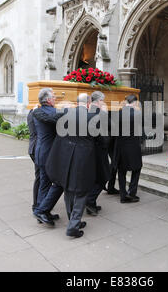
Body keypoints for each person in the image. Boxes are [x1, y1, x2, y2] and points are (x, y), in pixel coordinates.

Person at [46, 93, 98, 238]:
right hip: (83, 159)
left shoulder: (66, 114)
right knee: (81, 191)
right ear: (88, 104)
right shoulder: (93, 117)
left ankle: (73, 221)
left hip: (66, 157)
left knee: (68, 188)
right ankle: (73, 226)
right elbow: (102, 139)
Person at [32, 88, 63, 226]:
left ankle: (43, 212)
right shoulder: (55, 112)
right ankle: (42, 210)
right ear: (49, 100)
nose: (55, 98)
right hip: (49, 154)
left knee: (44, 183)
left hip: (39, 151)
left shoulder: (36, 111)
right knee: (58, 183)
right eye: (54, 96)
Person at [85, 91, 111, 216]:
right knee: (104, 177)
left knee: (94, 177)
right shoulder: (101, 114)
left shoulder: (87, 112)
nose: (104, 103)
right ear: (99, 101)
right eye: (103, 100)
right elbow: (106, 133)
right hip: (100, 151)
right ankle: (89, 201)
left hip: (89, 150)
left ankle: (92, 203)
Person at [113, 95, 143, 203]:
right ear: (135, 102)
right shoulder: (137, 114)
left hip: (121, 147)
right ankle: (132, 193)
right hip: (133, 146)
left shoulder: (118, 114)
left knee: (121, 171)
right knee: (137, 168)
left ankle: (123, 195)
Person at [27, 107, 41, 215]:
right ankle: (37, 206)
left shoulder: (32, 112)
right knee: (40, 178)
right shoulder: (36, 113)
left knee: (40, 177)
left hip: (33, 147)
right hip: (37, 148)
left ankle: (38, 204)